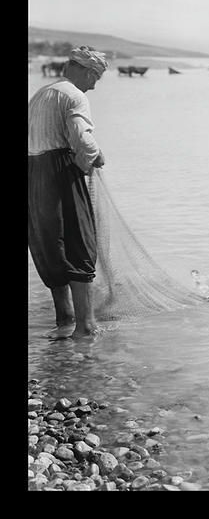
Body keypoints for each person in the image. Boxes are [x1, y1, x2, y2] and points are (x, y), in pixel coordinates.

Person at [28, 46, 109, 338]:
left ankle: (64, 320)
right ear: (87, 71)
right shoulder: (75, 96)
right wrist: (95, 156)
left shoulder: (41, 94)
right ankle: (84, 328)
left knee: (50, 246)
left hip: (34, 175)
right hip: (61, 171)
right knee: (79, 241)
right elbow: (81, 136)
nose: (95, 84)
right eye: (96, 76)